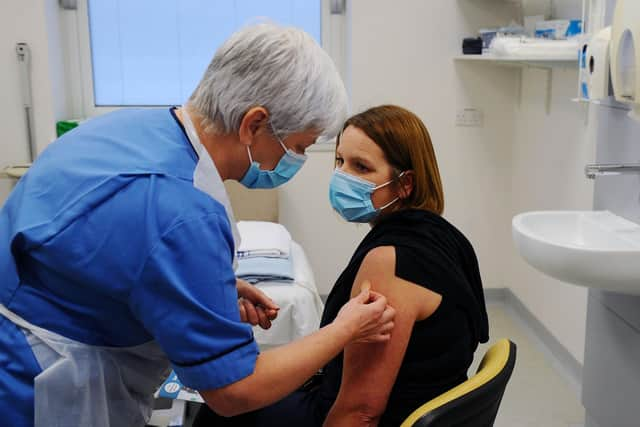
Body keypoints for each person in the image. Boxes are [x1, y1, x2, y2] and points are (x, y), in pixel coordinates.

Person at [0, 24, 395, 427]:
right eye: (297, 146)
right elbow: (233, 391)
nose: (295, 160)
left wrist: (202, 289)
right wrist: (344, 330)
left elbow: (95, 248)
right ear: (254, 124)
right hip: (40, 384)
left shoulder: (126, 129)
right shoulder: (183, 214)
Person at [194, 105, 490, 427]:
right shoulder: (444, 235)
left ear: (405, 184)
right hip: (389, 400)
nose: (343, 177)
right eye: (340, 161)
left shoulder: (390, 261)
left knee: (219, 412)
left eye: (361, 167)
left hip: (365, 416)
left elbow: (360, 412)